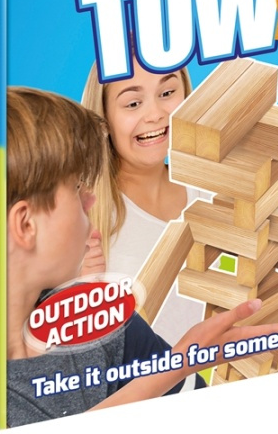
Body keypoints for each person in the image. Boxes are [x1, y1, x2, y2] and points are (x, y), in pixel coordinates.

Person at [5, 86, 278, 426]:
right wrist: (180, 362)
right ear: (25, 224)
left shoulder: (100, 320)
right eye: (75, 189)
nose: (90, 200)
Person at [81, 61, 206, 346]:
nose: (155, 115)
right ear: (104, 120)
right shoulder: (85, 217)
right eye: (133, 103)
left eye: (167, 93)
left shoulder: (209, 190)